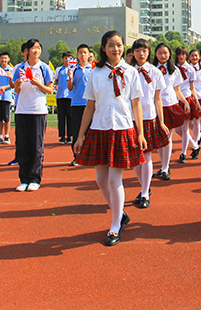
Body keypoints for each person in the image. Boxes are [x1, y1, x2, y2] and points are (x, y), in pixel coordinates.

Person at [73, 30, 147, 246]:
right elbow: (90, 105)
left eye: (120, 45)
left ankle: (115, 225)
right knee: (100, 180)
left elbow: (136, 105)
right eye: (111, 45)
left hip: (122, 129)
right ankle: (120, 212)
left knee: (115, 180)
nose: (116, 49)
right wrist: (80, 136)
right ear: (104, 48)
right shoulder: (95, 74)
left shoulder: (131, 73)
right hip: (99, 129)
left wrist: (140, 133)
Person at [129, 39, 167, 208]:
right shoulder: (128, 72)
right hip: (130, 118)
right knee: (136, 158)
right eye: (137, 50)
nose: (141, 54)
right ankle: (144, 186)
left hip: (149, 117)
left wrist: (161, 121)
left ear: (148, 52)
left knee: (148, 155)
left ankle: (145, 192)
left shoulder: (155, 72)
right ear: (133, 53)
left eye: (144, 50)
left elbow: (158, 98)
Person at [12, 39, 53, 191]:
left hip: (38, 110)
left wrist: (37, 84)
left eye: (38, 47)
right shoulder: (20, 67)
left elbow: (49, 90)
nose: (36, 50)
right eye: (33, 48)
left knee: (36, 146)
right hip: (22, 110)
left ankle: (35, 178)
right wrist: (18, 84)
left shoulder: (44, 68)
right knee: (22, 146)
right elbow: (16, 90)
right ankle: (24, 179)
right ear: (27, 51)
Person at [153, 42, 186, 179]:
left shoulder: (175, 70)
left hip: (170, 104)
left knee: (167, 137)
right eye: (160, 53)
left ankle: (166, 167)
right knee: (160, 139)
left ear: (170, 54)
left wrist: (184, 102)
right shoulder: (151, 69)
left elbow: (177, 89)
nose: (163, 55)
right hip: (155, 106)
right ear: (155, 54)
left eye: (165, 53)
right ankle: (162, 165)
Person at [173, 47, 201, 162]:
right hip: (175, 99)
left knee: (184, 128)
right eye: (179, 54)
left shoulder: (190, 69)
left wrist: (197, 101)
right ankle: (195, 146)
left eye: (183, 55)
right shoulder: (173, 68)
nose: (181, 57)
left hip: (186, 98)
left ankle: (183, 153)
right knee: (177, 129)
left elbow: (192, 88)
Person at [67, 46, 91, 166]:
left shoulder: (93, 69)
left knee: (90, 131)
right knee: (76, 131)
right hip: (76, 103)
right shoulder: (73, 69)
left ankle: (90, 156)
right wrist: (70, 77)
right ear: (77, 55)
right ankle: (77, 156)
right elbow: (70, 88)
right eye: (80, 53)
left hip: (90, 104)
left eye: (85, 53)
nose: (82, 55)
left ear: (88, 55)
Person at [0, 51, 15, 145]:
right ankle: (0, 136)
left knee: (6, 117)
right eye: (2, 58)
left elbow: (13, 85)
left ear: (8, 59)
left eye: (5, 58)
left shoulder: (11, 70)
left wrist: (5, 87)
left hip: (7, 96)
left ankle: (7, 136)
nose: (3, 60)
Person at [54, 48, 73, 145]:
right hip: (60, 96)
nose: (67, 60)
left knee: (70, 117)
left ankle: (69, 136)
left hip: (71, 96)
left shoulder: (74, 69)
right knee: (61, 117)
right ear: (62, 59)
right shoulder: (59, 69)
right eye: (65, 58)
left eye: (69, 58)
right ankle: (62, 136)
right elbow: (56, 80)